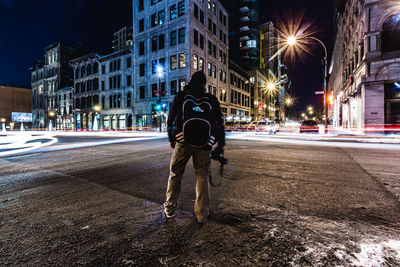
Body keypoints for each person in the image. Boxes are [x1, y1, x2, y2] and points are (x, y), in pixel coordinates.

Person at [164, 71, 225, 223]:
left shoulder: (181, 96)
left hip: (183, 142)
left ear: (191, 81)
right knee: (202, 177)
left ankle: (170, 208)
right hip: (204, 145)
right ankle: (202, 214)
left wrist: (173, 138)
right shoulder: (210, 99)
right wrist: (218, 143)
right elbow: (219, 123)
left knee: (175, 174)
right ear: (204, 84)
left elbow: (170, 119)